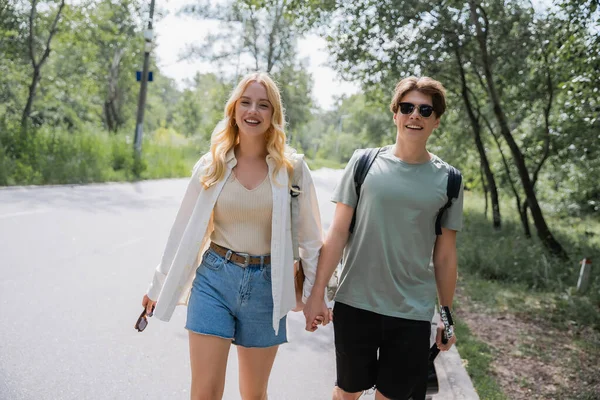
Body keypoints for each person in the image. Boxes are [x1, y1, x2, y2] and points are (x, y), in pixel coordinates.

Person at [140, 72, 323, 400]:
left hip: (268, 287)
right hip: (214, 280)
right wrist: (159, 285)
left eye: (263, 105)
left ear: (273, 115)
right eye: (246, 102)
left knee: (254, 394)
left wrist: (314, 296)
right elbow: (181, 232)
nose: (253, 111)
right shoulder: (212, 164)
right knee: (205, 393)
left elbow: (311, 239)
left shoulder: (291, 168)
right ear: (234, 109)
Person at [303, 76, 464, 400]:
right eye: (407, 107)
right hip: (356, 303)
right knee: (348, 392)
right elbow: (337, 233)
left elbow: (445, 256)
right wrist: (317, 292)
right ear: (395, 115)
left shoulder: (449, 180)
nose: (414, 115)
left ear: (436, 121)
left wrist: (445, 316)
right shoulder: (365, 162)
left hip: (412, 311)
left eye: (424, 110)